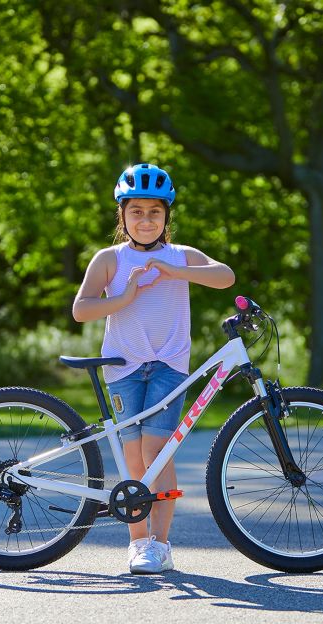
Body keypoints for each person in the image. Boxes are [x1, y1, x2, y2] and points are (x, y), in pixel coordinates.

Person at [72, 163, 235, 574]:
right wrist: (124, 296)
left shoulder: (180, 255)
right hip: (123, 368)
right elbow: (81, 309)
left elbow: (225, 277)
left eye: (155, 212)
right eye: (137, 211)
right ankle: (138, 542)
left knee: (156, 452)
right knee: (133, 459)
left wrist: (173, 270)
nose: (146, 219)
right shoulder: (110, 259)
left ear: (167, 217)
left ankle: (159, 546)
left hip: (168, 366)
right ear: (122, 215)